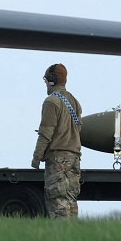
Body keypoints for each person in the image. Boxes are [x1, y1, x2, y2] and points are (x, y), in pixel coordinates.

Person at [31, 63, 82, 219]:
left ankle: (60, 239)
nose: (45, 83)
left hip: (58, 159)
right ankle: (72, 239)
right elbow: (78, 127)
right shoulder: (74, 102)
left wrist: (36, 157)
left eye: (46, 79)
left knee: (57, 202)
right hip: (74, 158)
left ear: (52, 80)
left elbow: (46, 133)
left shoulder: (51, 102)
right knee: (70, 201)